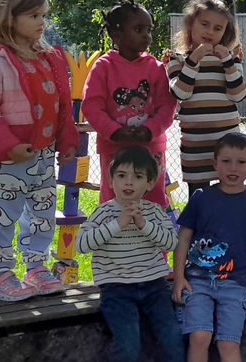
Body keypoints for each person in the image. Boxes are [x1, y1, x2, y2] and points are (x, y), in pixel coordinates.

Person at [0, 0, 77, 301]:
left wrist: (66, 138)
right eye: (33, 15)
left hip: (42, 156)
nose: (42, 21)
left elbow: (61, 103)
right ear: (9, 18)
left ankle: (36, 268)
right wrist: (7, 145)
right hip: (9, 159)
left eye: (43, 14)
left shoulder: (46, 58)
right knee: (2, 215)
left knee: (42, 215)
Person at [172, 133, 246, 362]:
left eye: (241, 162)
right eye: (226, 161)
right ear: (215, 163)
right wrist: (179, 277)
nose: (233, 168)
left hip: (236, 283)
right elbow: (183, 239)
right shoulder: (201, 198)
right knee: (199, 336)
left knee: (228, 342)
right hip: (197, 281)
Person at [77, 148, 181, 362]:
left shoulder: (154, 211)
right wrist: (118, 224)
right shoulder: (103, 212)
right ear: (111, 180)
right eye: (122, 176)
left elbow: (171, 243)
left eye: (138, 177)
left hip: (154, 286)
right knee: (128, 347)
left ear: (150, 184)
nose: (129, 183)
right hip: (116, 289)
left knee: (173, 339)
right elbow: (82, 245)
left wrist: (143, 224)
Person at [83, 0, 177, 208]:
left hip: (150, 148)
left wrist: (150, 130)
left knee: (152, 199)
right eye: (138, 29)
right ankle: (113, 239)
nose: (147, 36)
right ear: (116, 35)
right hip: (114, 148)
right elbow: (91, 106)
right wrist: (114, 131)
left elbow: (168, 105)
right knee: (115, 201)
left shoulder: (156, 67)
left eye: (149, 29)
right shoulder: (103, 67)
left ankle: (153, 240)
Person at [166, 0, 246, 197]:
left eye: (217, 28)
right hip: (195, 146)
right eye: (204, 24)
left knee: (229, 195)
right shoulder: (177, 60)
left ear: (225, 32)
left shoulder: (231, 60)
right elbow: (180, 93)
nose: (210, 31)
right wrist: (193, 61)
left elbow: (239, 95)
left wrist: (228, 63)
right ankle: (200, 231)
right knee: (198, 198)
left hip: (227, 146)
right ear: (190, 24)